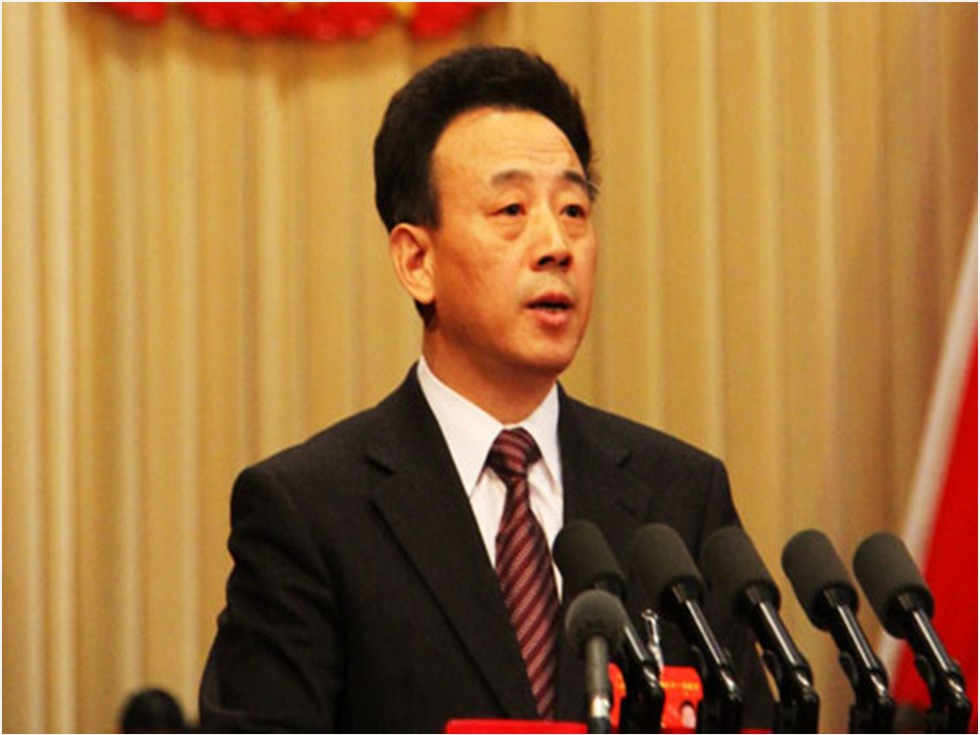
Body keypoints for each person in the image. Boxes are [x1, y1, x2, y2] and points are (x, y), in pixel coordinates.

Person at [199, 45, 772, 732]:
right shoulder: (311, 513)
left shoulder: (680, 498)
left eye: (573, 210)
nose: (556, 244)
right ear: (417, 260)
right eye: (511, 209)